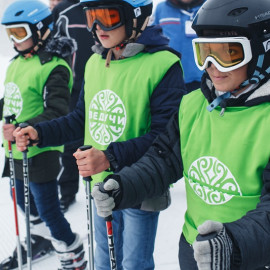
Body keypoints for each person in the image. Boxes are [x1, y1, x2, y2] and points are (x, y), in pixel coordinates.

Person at [85, 0, 270, 269]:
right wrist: (124, 186)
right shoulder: (194, 105)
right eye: (204, 52)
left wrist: (234, 244)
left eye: (228, 54)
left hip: (247, 258)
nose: (211, 66)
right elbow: (162, 161)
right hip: (194, 249)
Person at [13, 0, 187, 269]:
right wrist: (39, 132)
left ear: (135, 17)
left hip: (139, 186)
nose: (96, 27)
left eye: (108, 17)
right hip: (100, 184)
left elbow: (164, 139)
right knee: (104, 259)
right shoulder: (96, 61)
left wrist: (109, 157)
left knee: (133, 263)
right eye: (92, 17)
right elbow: (81, 119)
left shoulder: (163, 64)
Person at [0, 0, 87, 269]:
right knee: (19, 198)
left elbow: (58, 110)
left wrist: (23, 125)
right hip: (14, 148)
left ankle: (72, 247)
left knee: (48, 209)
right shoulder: (17, 63)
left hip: (41, 150)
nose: (14, 41)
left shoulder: (55, 66)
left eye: (19, 33)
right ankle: (39, 238)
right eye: (10, 34)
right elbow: (10, 100)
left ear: (41, 30)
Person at [52, 0, 95, 213]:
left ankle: (103, 189)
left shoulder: (103, 6)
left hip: (102, 81)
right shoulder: (63, 10)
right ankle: (67, 192)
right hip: (73, 86)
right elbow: (49, 42)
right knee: (70, 142)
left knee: (100, 137)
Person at [151, 0, 204, 92]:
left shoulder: (208, 6)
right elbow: (152, 38)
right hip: (170, 77)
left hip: (202, 77)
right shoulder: (161, 8)